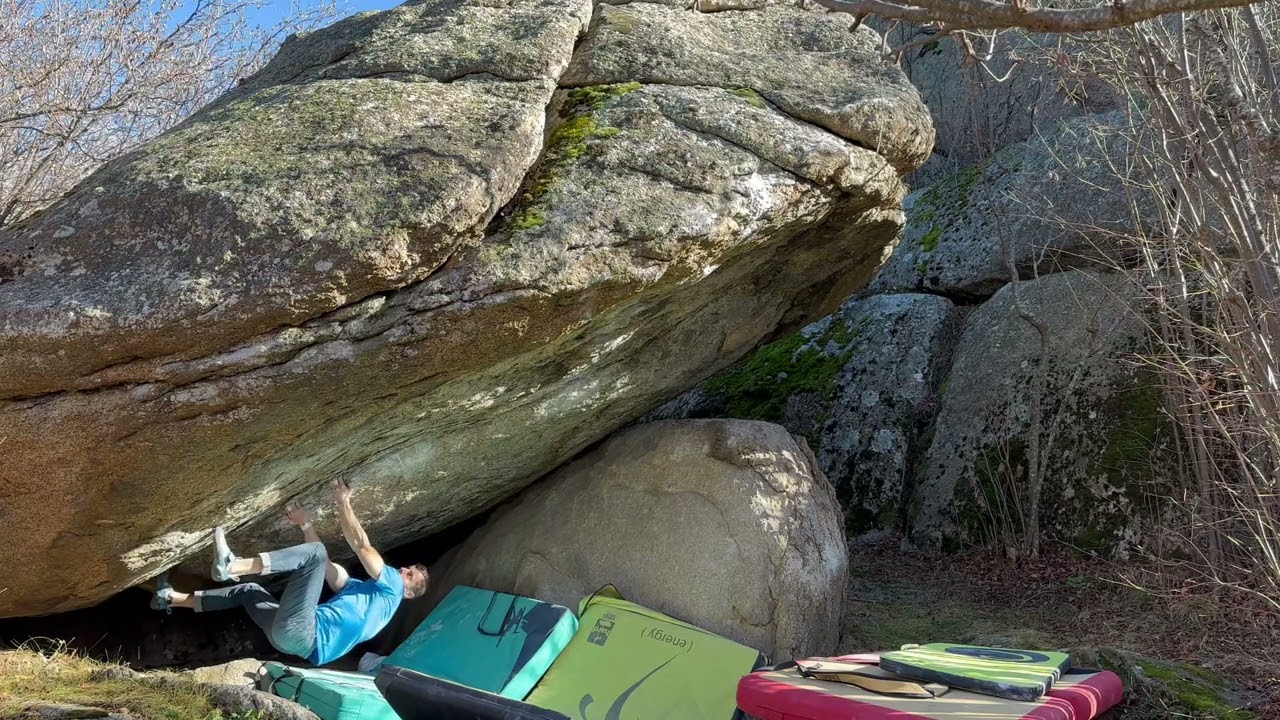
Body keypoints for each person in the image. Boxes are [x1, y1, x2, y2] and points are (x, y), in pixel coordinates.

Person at [150, 479, 429, 666]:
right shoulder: (362, 592)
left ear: (407, 592)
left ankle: (232, 566)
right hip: (291, 642)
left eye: (410, 575)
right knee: (250, 592)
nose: (403, 569)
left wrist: (343, 501)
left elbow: (362, 546)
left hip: (307, 633)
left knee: (314, 553)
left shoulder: (392, 590)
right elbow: (323, 564)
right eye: (408, 567)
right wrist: (306, 525)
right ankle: (169, 598)